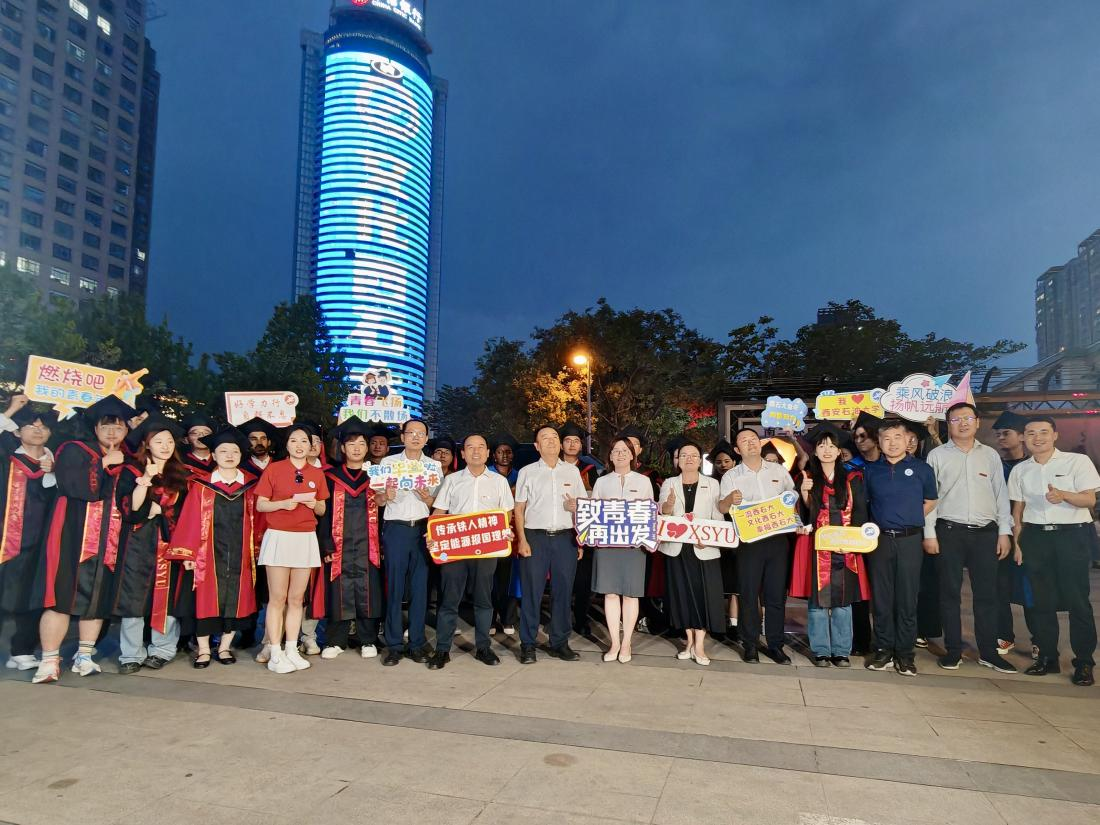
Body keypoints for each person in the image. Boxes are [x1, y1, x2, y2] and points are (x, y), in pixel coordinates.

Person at [33, 395, 136, 684]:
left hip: (109, 541)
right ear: (95, 428)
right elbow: (74, 486)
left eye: (118, 427)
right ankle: (49, 659)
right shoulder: (73, 450)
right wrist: (104, 463)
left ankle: (85, 655)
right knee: (61, 597)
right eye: (106, 426)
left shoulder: (129, 459)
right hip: (72, 535)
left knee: (97, 598)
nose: (112, 432)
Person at [923, 403, 1016, 673]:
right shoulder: (937, 455)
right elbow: (930, 498)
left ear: (977, 422)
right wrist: (930, 533)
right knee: (949, 594)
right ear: (948, 424)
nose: (962, 423)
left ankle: (989, 652)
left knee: (987, 595)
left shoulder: (990, 455)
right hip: (949, 532)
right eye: (956, 419)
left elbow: (1000, 495)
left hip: (986, 533)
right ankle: (953, 651)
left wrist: (1004, 532)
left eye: (967, 418)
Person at [1009, 416, 1099, 686]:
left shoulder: (1077, 462)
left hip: (1072, 536)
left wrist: (1064, 495)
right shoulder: (1020, 470)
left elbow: (1089, 499)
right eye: (1031, 433)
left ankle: (1084, 662)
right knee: (1040, 601)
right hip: (1035, 537)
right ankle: (1048, 658)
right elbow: (1018, 511)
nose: (1037, 438)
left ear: (1055, 435)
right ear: (1023, 437)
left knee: (1077, 601)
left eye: (1043, 432)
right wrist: (1017, 544)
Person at [170, 427, 259, 668]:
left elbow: (259, 521)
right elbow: (189, 520)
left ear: (241, 455)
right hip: (207, 555)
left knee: (235, 603)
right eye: (223, 451)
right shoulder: (201, 486)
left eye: (234, 451)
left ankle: (225, 647)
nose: (229, 455)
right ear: (214, 455)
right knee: (205, 601)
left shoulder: (251, 486)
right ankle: (203, 650)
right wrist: (188, 553)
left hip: (240, 555)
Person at [428, 433, 515, 669]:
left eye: (480, 447)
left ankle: (483, 647)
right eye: (470, 447)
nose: (476, 451)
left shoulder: (499, 482)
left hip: (486, 550)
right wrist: (432, 535)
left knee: (483, 599)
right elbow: (439, 512)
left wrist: (505, 531)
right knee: (449, 600)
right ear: (463, 454)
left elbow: (506, 514)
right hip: (455, 550)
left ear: (487, 453)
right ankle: (442, 649)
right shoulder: (452, 480)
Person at [111, 417, 189, 674]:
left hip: (169, 542)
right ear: (147, 444)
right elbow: (130, 509)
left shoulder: (181, 474)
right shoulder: (132, 471)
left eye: (169, 441)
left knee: (166, 597)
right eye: (158, 441)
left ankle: (162, 650)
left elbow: (186, 514)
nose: (165, 446)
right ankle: (131, 654)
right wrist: (146, 478)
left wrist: (162, 513)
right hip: (138, 542)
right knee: (133, 598)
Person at [861, 419, 938, 676]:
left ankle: (905, 654)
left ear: (908, 440)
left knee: (907, 598)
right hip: (880, 541)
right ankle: (883, 649)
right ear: (879, 442)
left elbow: (931, 500)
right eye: (886, 438)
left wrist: (910, 517)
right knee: (881, 598)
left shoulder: (922, 469)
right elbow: (865, 503)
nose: (892, 443)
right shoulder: (871, 471)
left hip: (910, 540)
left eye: (897, 437)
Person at [791, 422, 871, 667]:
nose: (826, 450)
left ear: (839, 451)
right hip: (815, 548)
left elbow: (860, 513)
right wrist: (804, 494)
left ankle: (841, 650)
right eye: (821, 445)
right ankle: (821, 650)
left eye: (831, 446)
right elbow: (800, 517)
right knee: (817, 601)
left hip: (845, 549)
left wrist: (853, 542)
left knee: (843, 602)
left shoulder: (853, 478)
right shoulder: (805, 478)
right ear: (814, 451)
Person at [254, 423, 329, 674]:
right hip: (279, 537)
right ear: (286, 444)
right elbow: (261, 505)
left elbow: (322, 509)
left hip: (305, 538)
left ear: (311, 445)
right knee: (277, 598)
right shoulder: (274, 469)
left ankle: (291, 649)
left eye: (304, 441)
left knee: (297, 599)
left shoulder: (317, 473)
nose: (299, 445)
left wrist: (313, 504)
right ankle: (275, 651)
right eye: (294, 440)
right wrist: (283, 504)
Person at [719, 427, 796, 664]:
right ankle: (750, 644)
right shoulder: (731, 476)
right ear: (737, 449)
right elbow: (721, 508)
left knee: (775, 595)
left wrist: (794, 509)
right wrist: (729, 499)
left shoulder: (778, 470)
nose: (750, 443)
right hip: (748, 542)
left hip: (777, 540)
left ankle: (775, 644)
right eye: (744, 440)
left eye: (753, 439)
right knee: (748, 594)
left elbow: (791, 498)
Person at [312, 418, 385, 661]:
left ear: (367, 448)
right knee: (338, 591)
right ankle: (335, 640)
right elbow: (323, 514)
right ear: (342, 448)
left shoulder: (376, 477)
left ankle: (368, 639)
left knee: (368, 590)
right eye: (351, 444)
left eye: (361, 443)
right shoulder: (330, 477)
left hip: (369, 545)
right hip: (339, 544)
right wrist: (326, 543)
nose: (356, 448)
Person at [513, 425, 586, 664]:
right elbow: (519, 508)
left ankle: (559, 642)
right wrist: (522, 540)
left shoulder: (572, 472)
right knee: (532, 592)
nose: (552, 440)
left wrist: (580, 539)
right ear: (537, 446)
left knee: (563, 592)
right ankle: (528, 644)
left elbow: (582, 506)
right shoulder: (527, 472)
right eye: (545, 437)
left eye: (555, 436)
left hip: (566, 538)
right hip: (535, 537)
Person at [0, 396, 57, 672]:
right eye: (31, 426)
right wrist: (12, 409)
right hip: (5, 540)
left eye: (43, 426)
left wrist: (54, 472)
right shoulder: (6, 457)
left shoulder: (57, 463)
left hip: (40, 543)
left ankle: (22, 650)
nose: (38, 430)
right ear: (17, 431)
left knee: (33, 595)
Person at [380, 418, 441, 666]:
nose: (416, 437)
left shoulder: (433, 466)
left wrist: (427, 499)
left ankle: (416, 643)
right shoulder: (388, 463)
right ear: (403, 436)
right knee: (394, 587)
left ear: (426, 439)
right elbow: (377, 500)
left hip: (422, 530)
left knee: (420, 588)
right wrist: (385, 495)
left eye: (421, 433)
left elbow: (438, 505)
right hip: (396, 529)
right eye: (411, 432)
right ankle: (394, 645)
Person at [659, 441, 726, 665]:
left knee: (704, 595)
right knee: (682, 596)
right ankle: (688, 641)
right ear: (677, 460)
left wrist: (708, 538)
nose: (689, 458)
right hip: (677, 548)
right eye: (684, 455)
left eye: (694, 455)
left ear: (700, 460)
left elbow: (718, 518)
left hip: (703, 548)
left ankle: (700, 644)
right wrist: (668, 505)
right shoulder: (669, 483)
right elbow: (663, 514)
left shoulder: (712, 484)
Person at [591, 437, 654, 663]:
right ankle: (614, 643)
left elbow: (650, 513)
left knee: (630, 594)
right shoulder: (602, 482)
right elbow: (593, 513)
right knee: (609, 593)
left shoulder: (643, 481)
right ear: (610, 456)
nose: (620, 454)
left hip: (633, 546)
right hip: (607, 546)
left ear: (632, 455)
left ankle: (626, 642)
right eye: (615, 450)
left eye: (624, 450)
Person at [991, 410, 1035, 656]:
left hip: (1028, 535)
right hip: (998, 534)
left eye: (1006, 433)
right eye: (998, 434)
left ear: (1021, 437)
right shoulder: (993, 466)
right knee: (998, 587)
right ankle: (1004, 636)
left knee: (1031, 588)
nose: (1000, 438)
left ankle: (1039, 638)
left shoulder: (1033, 466)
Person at [560, 422, 597, 635]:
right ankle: (561, 620)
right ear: (561, 444)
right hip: (562, 528)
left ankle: (581, 620)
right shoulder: (553, 468)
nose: (572, 444)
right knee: (562, 579)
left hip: (584, 531)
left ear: (581, 445)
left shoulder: (590, 471)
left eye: (576, 441)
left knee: (583, 581)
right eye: (568, 440)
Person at [297, 420, 329, 655]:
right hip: (291, 535)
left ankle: (309, 635)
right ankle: (280, 637)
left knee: (314, 588)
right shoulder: (283, 470)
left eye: (317, 441)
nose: (313, 445)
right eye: (309, 441)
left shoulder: (330, 474)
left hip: (320, 536)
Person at [488, 432, 519, 635]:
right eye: (500, 452)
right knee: (489, 577)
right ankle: (490, 619)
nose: (505, 455)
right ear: (493, 455)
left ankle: (508, 619)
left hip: (512, 533)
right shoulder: (487, 475)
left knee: (509, 577)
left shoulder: (520, 476)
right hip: (489, 532)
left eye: (508, 452)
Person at [708, 439, 739, 636]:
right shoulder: (710, 484)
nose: (723, 465)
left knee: (735, 583)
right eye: (718, 462)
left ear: (734, 462)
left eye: (727, 461)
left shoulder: (741, 481)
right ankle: (717, 622)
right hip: (715, 538)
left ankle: (735, 624)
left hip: (737, 537)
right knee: (717, 582)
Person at [180, 413, 215, 480]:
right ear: (186, 440)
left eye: (206, 433)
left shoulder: (222, 461)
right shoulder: (180, 463)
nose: (201, 436)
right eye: (195, 433)